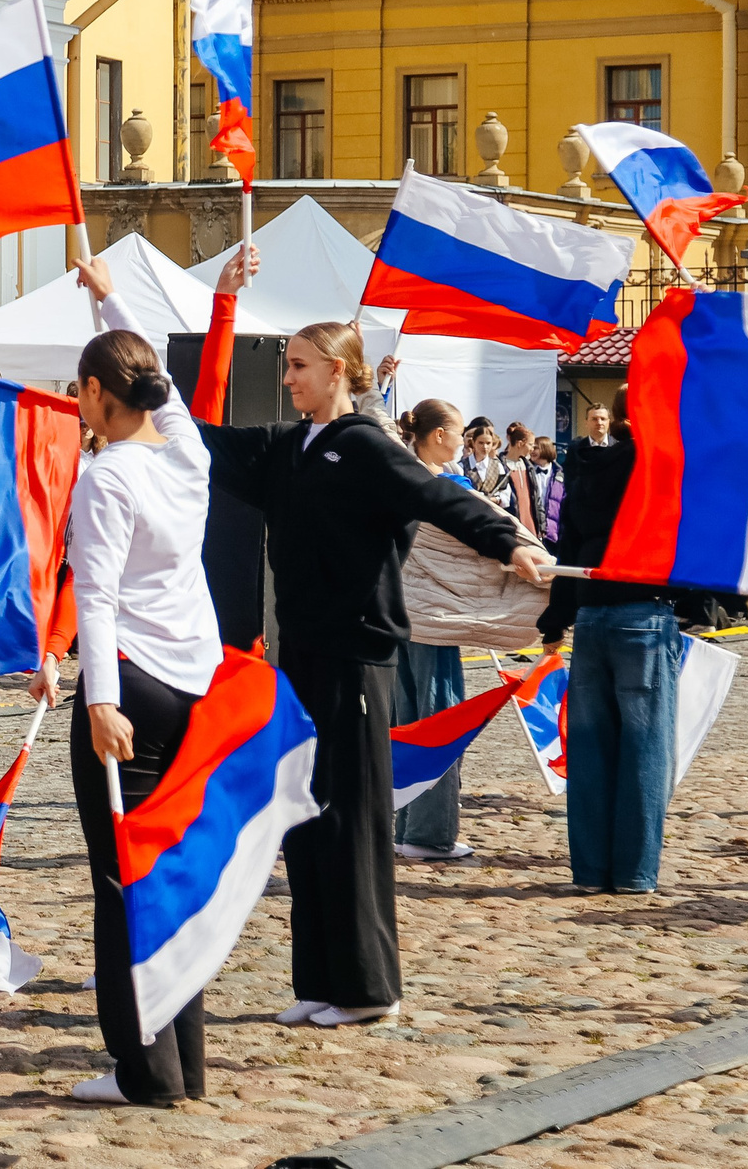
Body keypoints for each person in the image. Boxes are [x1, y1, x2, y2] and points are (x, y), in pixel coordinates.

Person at [194, 248, 551, 1025]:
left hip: (357, 658)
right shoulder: (294, 448)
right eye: (287, 365)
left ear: (338, 371)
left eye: (297, 365)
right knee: (310, 816)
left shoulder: (364, 445)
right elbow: (203, 439)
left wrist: (510, 542)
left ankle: (369, 988)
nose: (286, 376)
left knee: (355, 821)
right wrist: (212, 312)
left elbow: (439, 498)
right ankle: (321, 980)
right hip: (303, 658)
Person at [29, 255, 222, 1105]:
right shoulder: (188, 458)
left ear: (105, 394)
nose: (76, 402)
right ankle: (185, 1064)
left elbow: (96, 597)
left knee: (123, 884)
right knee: (171, 877)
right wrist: (108, 294)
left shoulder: (107, 475)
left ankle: (144, 1069)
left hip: (133, 689)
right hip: (191, 685)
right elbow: (168, 385)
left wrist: (98, 701)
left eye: (81, 388)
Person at [537, 396, 675, 893]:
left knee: (591, 750)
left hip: (591, 613)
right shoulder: (656, 464)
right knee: (645, 749)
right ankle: (636, 872)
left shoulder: (582, 465)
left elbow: (567, 545)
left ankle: (592, 871)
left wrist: (556, 618)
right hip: (642, 612)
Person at [393, 401, 540, 863]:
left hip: (399, 616)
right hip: (435, 621)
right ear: (438, 436)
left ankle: (404, 825)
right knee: (441, 721)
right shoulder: (447, 487)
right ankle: (432, 834)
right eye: (458, 432)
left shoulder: (394, 476)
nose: (466, 439)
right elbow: (497, 535)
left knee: (406, 721)